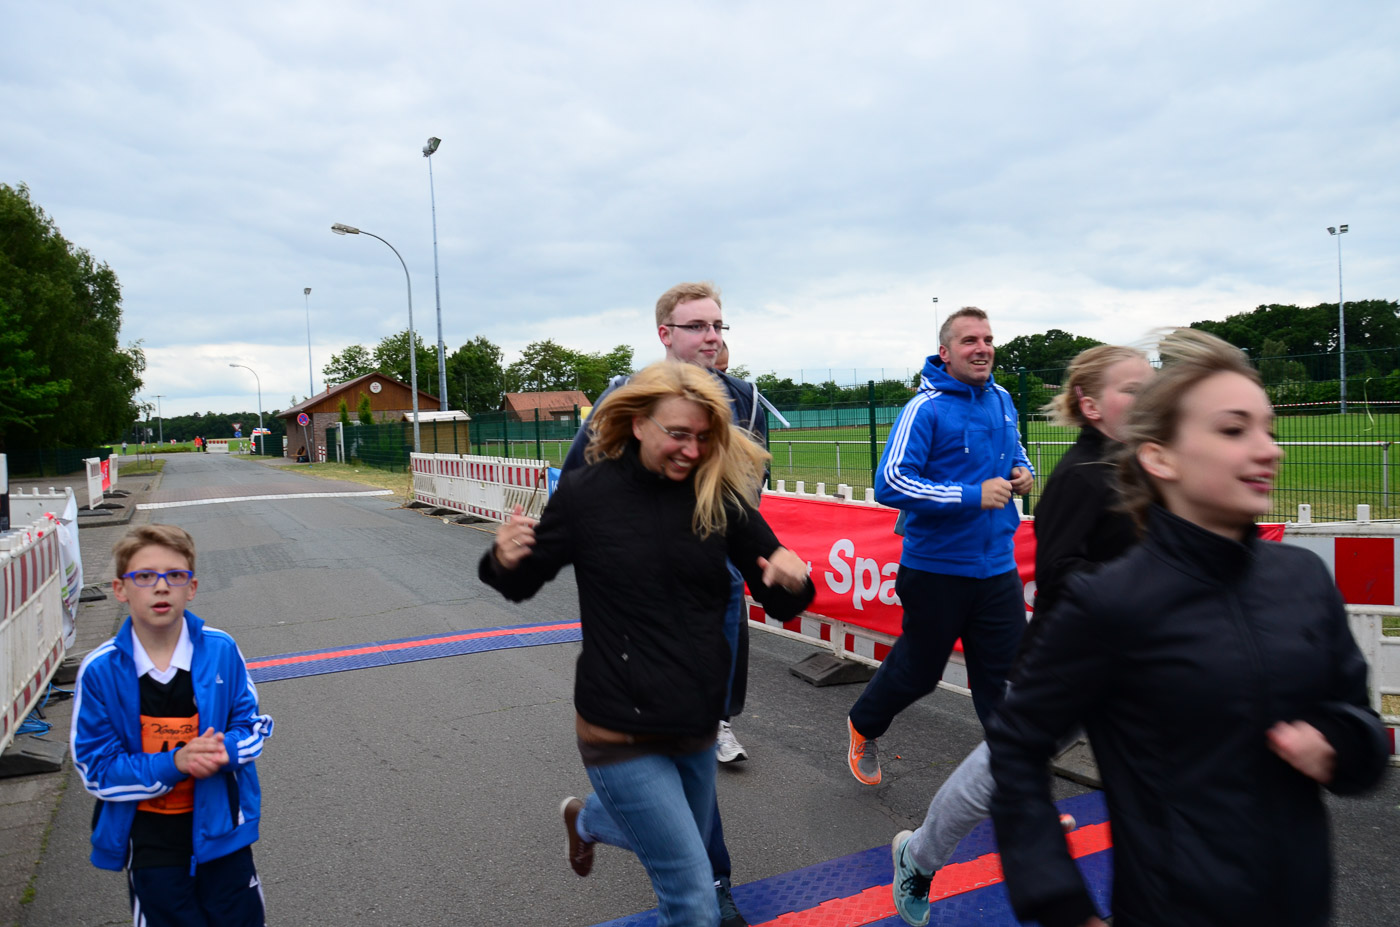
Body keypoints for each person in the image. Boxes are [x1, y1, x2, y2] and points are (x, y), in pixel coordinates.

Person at [987, 330, 1390, 927]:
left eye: (1269, 429)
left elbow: (1360, 722)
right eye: (1233, 430)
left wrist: (1340, 743)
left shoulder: (1303, 578)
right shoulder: (1109, 602)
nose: (1269, 450)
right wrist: (1060, 903)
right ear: (1160, 458)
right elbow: (1017, 747)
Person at [481, 361, 814, 927]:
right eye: (678, 434)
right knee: (693, 900)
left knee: (682, 857)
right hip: (619, 727)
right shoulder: (587, 493)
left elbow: (779, 597)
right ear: (638, 424)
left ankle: (590, 821)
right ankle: (604, 821)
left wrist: (793, 579)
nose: (692, 450)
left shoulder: (716, 494)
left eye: (703, 437)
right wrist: (504, 557)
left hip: (695, 723)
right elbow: (521, 582)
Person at [889, 345, 1153, 925]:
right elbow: (1059, 572)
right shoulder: (1082, 476)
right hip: (1069, 661)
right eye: (1132, 389)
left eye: (1150, 386)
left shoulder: (1147, 464)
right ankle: (921, 855)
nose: (1148, 398)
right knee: (1000, 769)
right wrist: (1144, 587)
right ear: (1091, 405)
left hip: (1133, 663)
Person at [561, 282, 773, 925]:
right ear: (665, 335)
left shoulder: (742, 399)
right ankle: (711, 885)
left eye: (718, 325)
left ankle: (596, 819)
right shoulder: (626, 399)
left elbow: (750, 489)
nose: (712, 336)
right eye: (697, 326)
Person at [847, 306, 1034, 786]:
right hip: (936, 569)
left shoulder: (1003, 398)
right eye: (970, 341)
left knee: (1004, 680)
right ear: (945, 352)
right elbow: (890, 482)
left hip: (997, 567)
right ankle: (864, 724)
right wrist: (971, 495)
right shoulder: (924, 408)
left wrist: (1023, 471)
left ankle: (1014, 784)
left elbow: (1014, 450)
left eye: (988, 339)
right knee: (920, 672)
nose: (983, 348)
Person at [70, 524, 274, 926]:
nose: (161, 587)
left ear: (191, 587)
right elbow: (97, 769)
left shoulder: (221, 650)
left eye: (175, 575)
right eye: (145, 576)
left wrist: (224, 751)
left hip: (222, 834)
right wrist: (175, 763)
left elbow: (253, 726)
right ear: (120, 589)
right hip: (152, 844)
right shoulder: (100, 671)